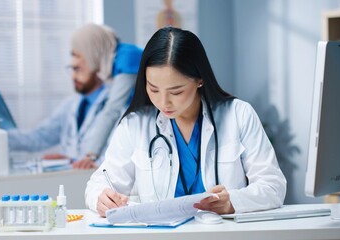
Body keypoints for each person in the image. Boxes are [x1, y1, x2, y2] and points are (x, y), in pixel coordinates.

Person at [85, 27, 286, 217]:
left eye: (176, 91)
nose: (163, 102)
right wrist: (101, 198)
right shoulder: (135, 124)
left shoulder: (238, 115)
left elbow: (273, 186)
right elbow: (100, 182)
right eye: (153, 89)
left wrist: (234, 201)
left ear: (200, 79)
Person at [0, 24, 142, 169]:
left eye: (78, 64)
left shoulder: (127, 59)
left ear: (91, 51)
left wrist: (89, 156)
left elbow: (112, 114)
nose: (73, 73)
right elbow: (40, 136)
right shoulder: (72, 104)